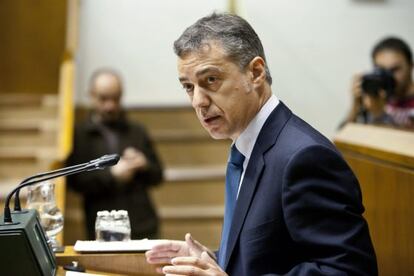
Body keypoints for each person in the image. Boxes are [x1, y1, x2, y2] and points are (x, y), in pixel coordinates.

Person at [145, 13, 377, 275]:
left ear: (255, 73)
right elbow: (267, 258)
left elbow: (349, 270)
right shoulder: (246, 148)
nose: (198, 101)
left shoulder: (304, 157)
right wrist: (211, 259)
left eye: (211, 80)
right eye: (189, 87)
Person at [66, 69, 163, 240]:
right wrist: (111, 175)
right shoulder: (79, 134)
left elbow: (158, 175)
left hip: (142, 223)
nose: (110, 105)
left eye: (115, 98)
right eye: (103, 98)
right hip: (102, 226)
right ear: (91, 95)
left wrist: (143, 164)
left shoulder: (137, 130)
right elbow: (75, 182)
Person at [345, 37, 414, 128]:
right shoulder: (375, 95)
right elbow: (340, 139)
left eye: (394, 69)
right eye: (381, 70)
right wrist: (355, 106)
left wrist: (379, 115)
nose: (387, 76)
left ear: (411, 66)